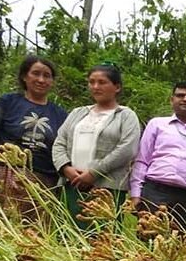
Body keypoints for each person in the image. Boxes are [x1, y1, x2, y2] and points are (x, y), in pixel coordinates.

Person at [52, 63, 141, 228]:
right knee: (68, 235)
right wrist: (66, 169)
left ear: (117, 87)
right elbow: (59, 142)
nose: (95, 86)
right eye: (91, 82)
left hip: (106, 189)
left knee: (101, 241)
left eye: (102, 82)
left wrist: (94, 173)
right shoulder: (78, 113)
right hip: (71, 184)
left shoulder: (126, 116)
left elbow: (127, 148)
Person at [129, 82, 186, 232]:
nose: (185, 99)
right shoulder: (157, 124)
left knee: (181, 246)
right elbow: (142, 160)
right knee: (149, 241)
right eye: (180, 95)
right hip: (155, 190)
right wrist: (136, 194)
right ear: (172, 100)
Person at [0, 56, 67, 217]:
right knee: (1, 229)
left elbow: (64, 148)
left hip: (43, 183)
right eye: (35, 73)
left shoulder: (60, 114)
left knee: (33, 236)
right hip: (4, 177)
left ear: (52, 81)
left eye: (47, 75)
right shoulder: (8, 102)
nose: (41, 79)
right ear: (24, 76)